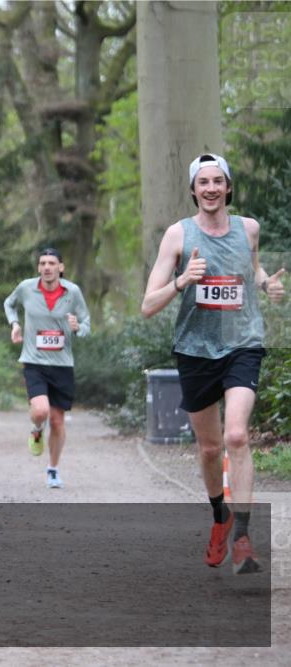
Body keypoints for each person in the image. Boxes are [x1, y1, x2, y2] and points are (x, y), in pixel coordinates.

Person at [142, 153, 285, 575]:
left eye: (217, 181)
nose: (210, 188)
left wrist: (266, 284)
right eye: (203, 182)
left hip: (243, 344)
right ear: (193, 189)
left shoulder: (249, 229)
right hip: (195, 350)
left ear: (228, 187)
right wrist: (183, 281)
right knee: (209, 447)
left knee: (237, 435)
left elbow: (253, 269)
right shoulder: (178, 236)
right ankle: (220, 517)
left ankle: (242, 536)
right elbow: (148, 305)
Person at [3, 248, 91, 489]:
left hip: (62, 364)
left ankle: (52, 469)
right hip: (34, 362)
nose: (47, 267)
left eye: (52, 263)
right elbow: (9, 304)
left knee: (58, 421)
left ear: (60, 267)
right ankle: (36, 428)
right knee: (41, 411)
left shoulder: (72, 292)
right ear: (38, 267)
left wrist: (77, 328)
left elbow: (86, 323)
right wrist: (15, 324)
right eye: (42, 263)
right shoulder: (26, 288)